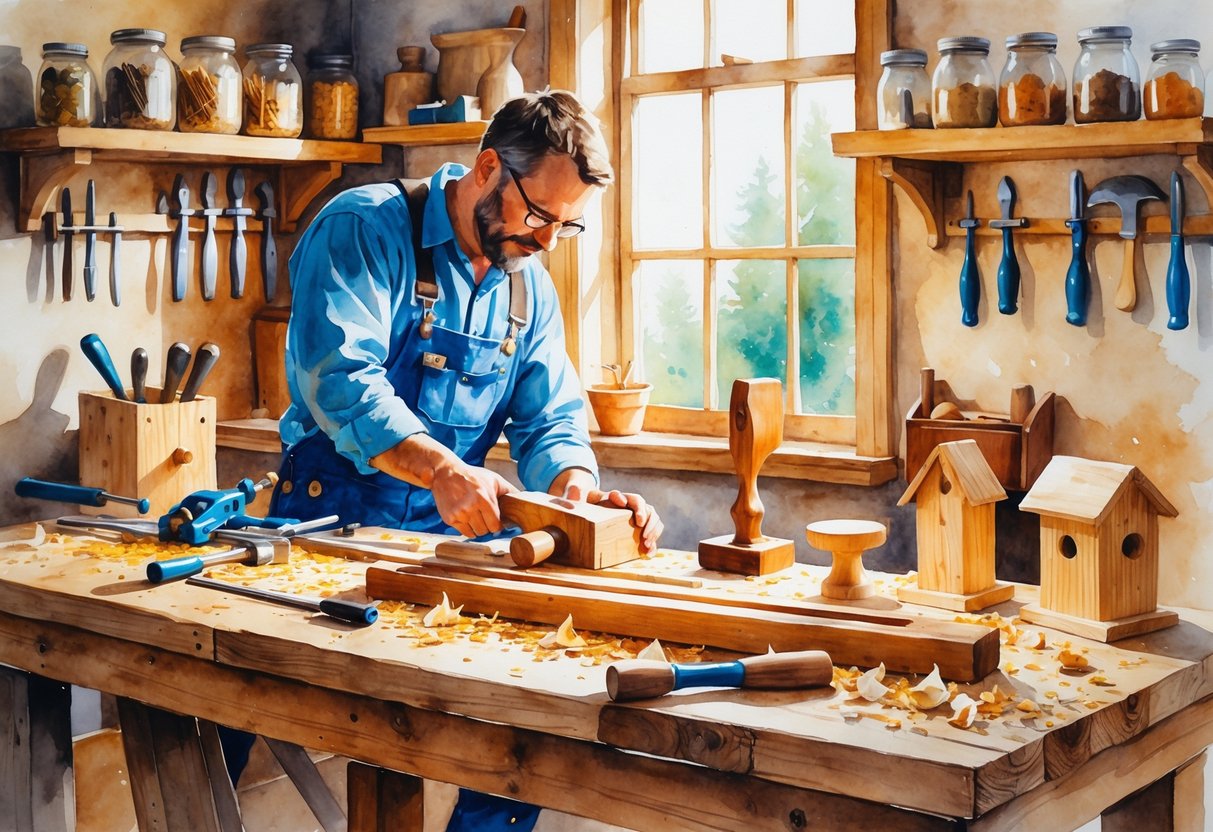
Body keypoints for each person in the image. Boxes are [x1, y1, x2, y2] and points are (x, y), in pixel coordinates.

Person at [263, 90, 663, 831]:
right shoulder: (364, 228)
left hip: (453, 543)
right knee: (220, 700)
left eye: (566, 227)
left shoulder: (526, 287)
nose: (547, 241)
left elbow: (550, 417)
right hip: (328, 526)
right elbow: (340, 380)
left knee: (532, 721)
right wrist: (443, 470)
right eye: (539, 216)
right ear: (487, 169)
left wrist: (576, 492)